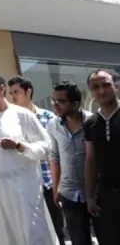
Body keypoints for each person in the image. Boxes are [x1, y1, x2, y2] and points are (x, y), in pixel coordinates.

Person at [0, 72, 57, 244]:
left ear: (1, 89)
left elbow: (45, 147)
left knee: (32, 234)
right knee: (3, 236)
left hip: (23, 187)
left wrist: (19, 146)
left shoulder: (22, 115)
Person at [7, 76, 66, 245]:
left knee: (57, 230)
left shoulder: (49, 118)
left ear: (28, 91)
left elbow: (59, 152)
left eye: (16, 92)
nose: (13, 97)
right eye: (11, 93)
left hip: (49, 183)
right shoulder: (10, 122)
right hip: (25, 185)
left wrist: (59, 184)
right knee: (31, 234)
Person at [47, 81, 94, 245]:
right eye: (54, 101)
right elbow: (54, 157)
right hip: (69, 194)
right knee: (79, 240)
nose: (55, 105)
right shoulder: (53, 125)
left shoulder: (93, 122)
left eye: (61, 101)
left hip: (95, 193)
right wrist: (56, 188)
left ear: (75, 103)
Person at [83, 69, 120, 245]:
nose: (101, 90)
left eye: (106, 85)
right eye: (95, 87)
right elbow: (90, 160)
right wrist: (89, 196)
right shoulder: (91, 123)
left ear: (117, 87)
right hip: (106, 197)